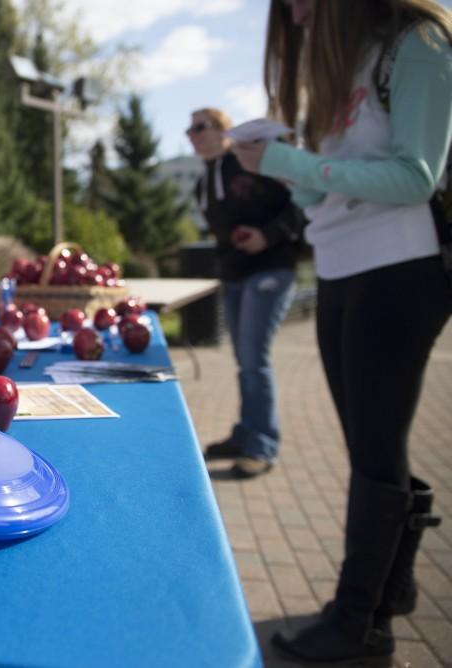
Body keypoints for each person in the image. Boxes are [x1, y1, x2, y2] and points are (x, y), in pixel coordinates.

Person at [234, 0, 452, 663]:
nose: (296, 18)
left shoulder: (418, 44)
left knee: (375, 447)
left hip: (402, 266)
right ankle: (389, 591)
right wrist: (280, 166)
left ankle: (359, 622)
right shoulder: (341, 68)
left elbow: (418, 176)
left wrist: (294, 165)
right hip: (340, 266)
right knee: (369, 444)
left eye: (301, 2)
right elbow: (327, 192)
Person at [189, 107, 303, 479]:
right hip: (236, 276)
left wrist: (266, 236)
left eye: (201, 126)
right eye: (189, 129)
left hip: (271, 269)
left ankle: (263, 445)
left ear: (226, 131)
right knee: (245, 360)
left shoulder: (250, 163)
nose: (193, 134)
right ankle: (245, 434)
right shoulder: (202, 183)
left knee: (255, 360)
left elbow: (301, 203)